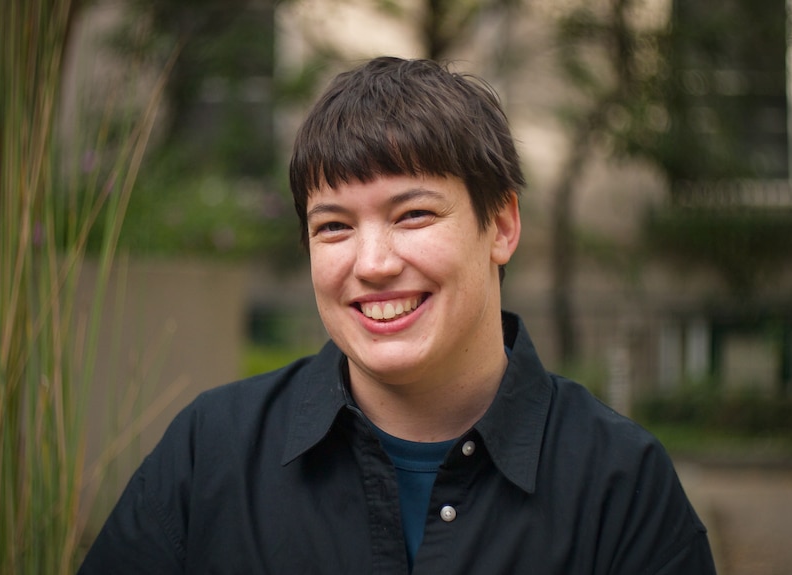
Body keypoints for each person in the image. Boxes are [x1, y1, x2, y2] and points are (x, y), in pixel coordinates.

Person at [78, 56, 717, 574]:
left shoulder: (621, 485)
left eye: (412, 214)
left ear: (500, 224)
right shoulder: (211, 451)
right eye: (333, 227)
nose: (373, 263)